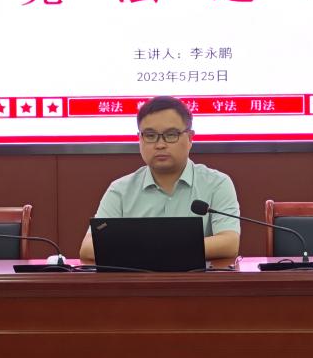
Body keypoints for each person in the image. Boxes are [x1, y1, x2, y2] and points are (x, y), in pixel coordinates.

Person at [78, 96, 240, 261]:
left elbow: (229, 243)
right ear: (139, 138)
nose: (160, 144)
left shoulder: (217, 184)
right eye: (150, 135)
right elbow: (89, 247)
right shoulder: (120, 190)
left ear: (190, 137)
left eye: (171, 135)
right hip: (137, 278)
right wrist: (163, 247)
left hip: (195, 277)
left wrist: (151, 247)